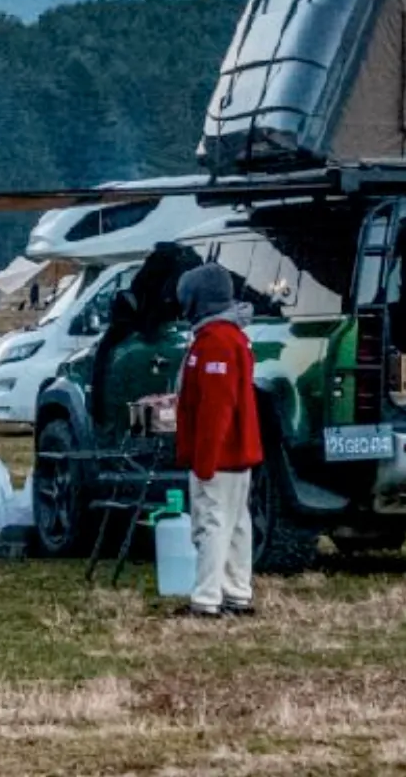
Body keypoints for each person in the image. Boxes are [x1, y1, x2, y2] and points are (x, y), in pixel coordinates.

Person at [173, 262, 262, 619]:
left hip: (220, 454)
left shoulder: (216, 343)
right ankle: (236, 591)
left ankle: (207, 597)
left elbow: (216, 406)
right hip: (238, 452)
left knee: (211, 521)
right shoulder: (229, 337)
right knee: (236, 522)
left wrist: (204, 458)